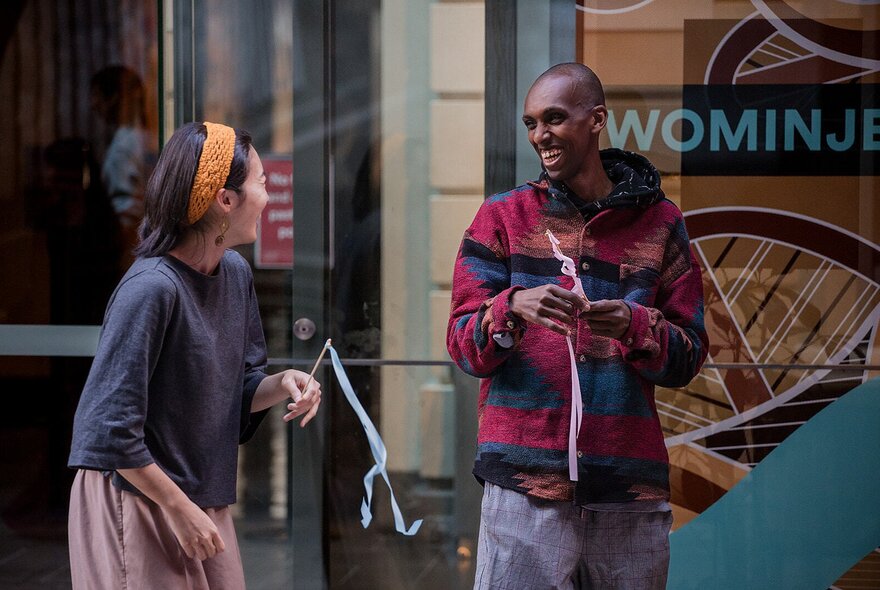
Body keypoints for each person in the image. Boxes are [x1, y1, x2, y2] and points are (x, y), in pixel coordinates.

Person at [447, 63, 708, 589]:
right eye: (531, 123)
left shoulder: (661, 225)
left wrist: (637, 326)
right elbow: (461, 345)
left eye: (555, 119)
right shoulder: (502, 217)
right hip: (523, 491)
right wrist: (511, 309)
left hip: (627, 494)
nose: (540, 135)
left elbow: (689, 354)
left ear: (597, 120)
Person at [67, 121, 322, 589]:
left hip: (196, 493)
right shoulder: (150, 289)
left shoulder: (235, 273)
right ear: (225, 200)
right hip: (137, 493)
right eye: (261, 184)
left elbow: (240, 386)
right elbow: (110, 429)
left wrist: (283, 380)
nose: (268, 197)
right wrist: (178, 509)